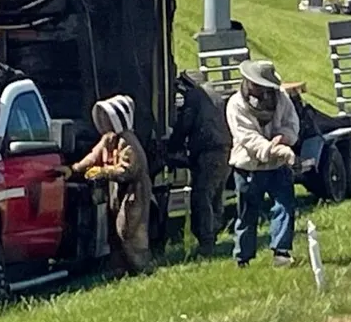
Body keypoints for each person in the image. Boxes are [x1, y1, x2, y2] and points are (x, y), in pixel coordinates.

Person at [225, 59, 300, 268]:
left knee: (285, 207)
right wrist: (274, 149)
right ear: (250, 82)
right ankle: (243, 258)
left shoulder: (281, 98)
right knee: (247, 214)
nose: (263, 90)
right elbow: (247, 137)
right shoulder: (236, 104)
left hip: (278, 167)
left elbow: (292, 123)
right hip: (248, 167)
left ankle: (281, 253)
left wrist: (285, 137)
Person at [69, 95, 153, 276]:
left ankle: (142, 268)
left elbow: (127, 171)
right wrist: (73, 169)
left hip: (135, 192)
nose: (103, 121)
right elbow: (93, 156)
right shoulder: (108, 139)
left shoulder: (127, 142)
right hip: (117, 191)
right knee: (115, 231)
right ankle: (121, 270)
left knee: (130, 230)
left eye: (106, 117)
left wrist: (102, 171)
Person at [166, 71, 232, 258]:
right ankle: (213, 236)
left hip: (208, 152)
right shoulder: (215, 93)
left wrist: (172, 146)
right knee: (215, 196)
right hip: (225, 149)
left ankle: (206, 243)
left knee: (201, 197)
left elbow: (185, 124)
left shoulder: (195, 96)